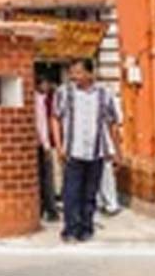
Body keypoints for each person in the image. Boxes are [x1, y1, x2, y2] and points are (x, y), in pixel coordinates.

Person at [51, 59, 121, 243]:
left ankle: (86, 228)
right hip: (72, 150)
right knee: (71, 192)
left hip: (96, 151)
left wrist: (116, 150)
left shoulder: (104, 94)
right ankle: (70, 229)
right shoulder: (64, 92)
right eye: (73, 72)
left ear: (91, 73)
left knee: (90, 193)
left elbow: (113, 122)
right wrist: (59, 146)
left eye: (79, 73)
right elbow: (55, 118)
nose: (75, 77)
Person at [33, 77, 60, 222]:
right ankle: (49, 209)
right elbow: (41, 124)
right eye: (45, 83)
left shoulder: (45, 99)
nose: (47, 86)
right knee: (46, 178)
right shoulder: (38, 101)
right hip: (43, 145)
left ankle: (47, 208)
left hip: (43, 144)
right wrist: (46, 145)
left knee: (45, 178)